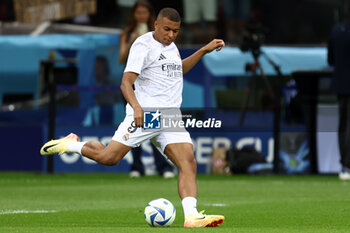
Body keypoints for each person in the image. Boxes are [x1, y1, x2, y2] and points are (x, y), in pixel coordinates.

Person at [40, 8, 225, 227]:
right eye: (167, 29)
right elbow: (126, 82)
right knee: (109, 158)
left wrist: (203, 50)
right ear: (155, 24)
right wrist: (136, 107)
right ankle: (71, 145)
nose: (171, 35)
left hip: (170, 117)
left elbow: (178, 69)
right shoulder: (142, 45)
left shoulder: (171, 46)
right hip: (147, 115)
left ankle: (192, 216)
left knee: (188, 162)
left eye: (175, 31)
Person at [119, 0, 175, 178]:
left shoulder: (160, 35)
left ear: (150, 15)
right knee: (135, 127)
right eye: (138, 13)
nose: (141, 16)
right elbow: (121, 59)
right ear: (134, 14)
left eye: (144, 13)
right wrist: (132, 41)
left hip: (152, 88)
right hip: (132, 85)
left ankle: (162, 167)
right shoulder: (129, 33)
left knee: (155, 129)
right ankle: (136, 166)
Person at [328, 15, 350, 181]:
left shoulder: (337, 31)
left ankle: (345, 165)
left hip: (341, 84)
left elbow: (331, 59)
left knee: (343, 125)